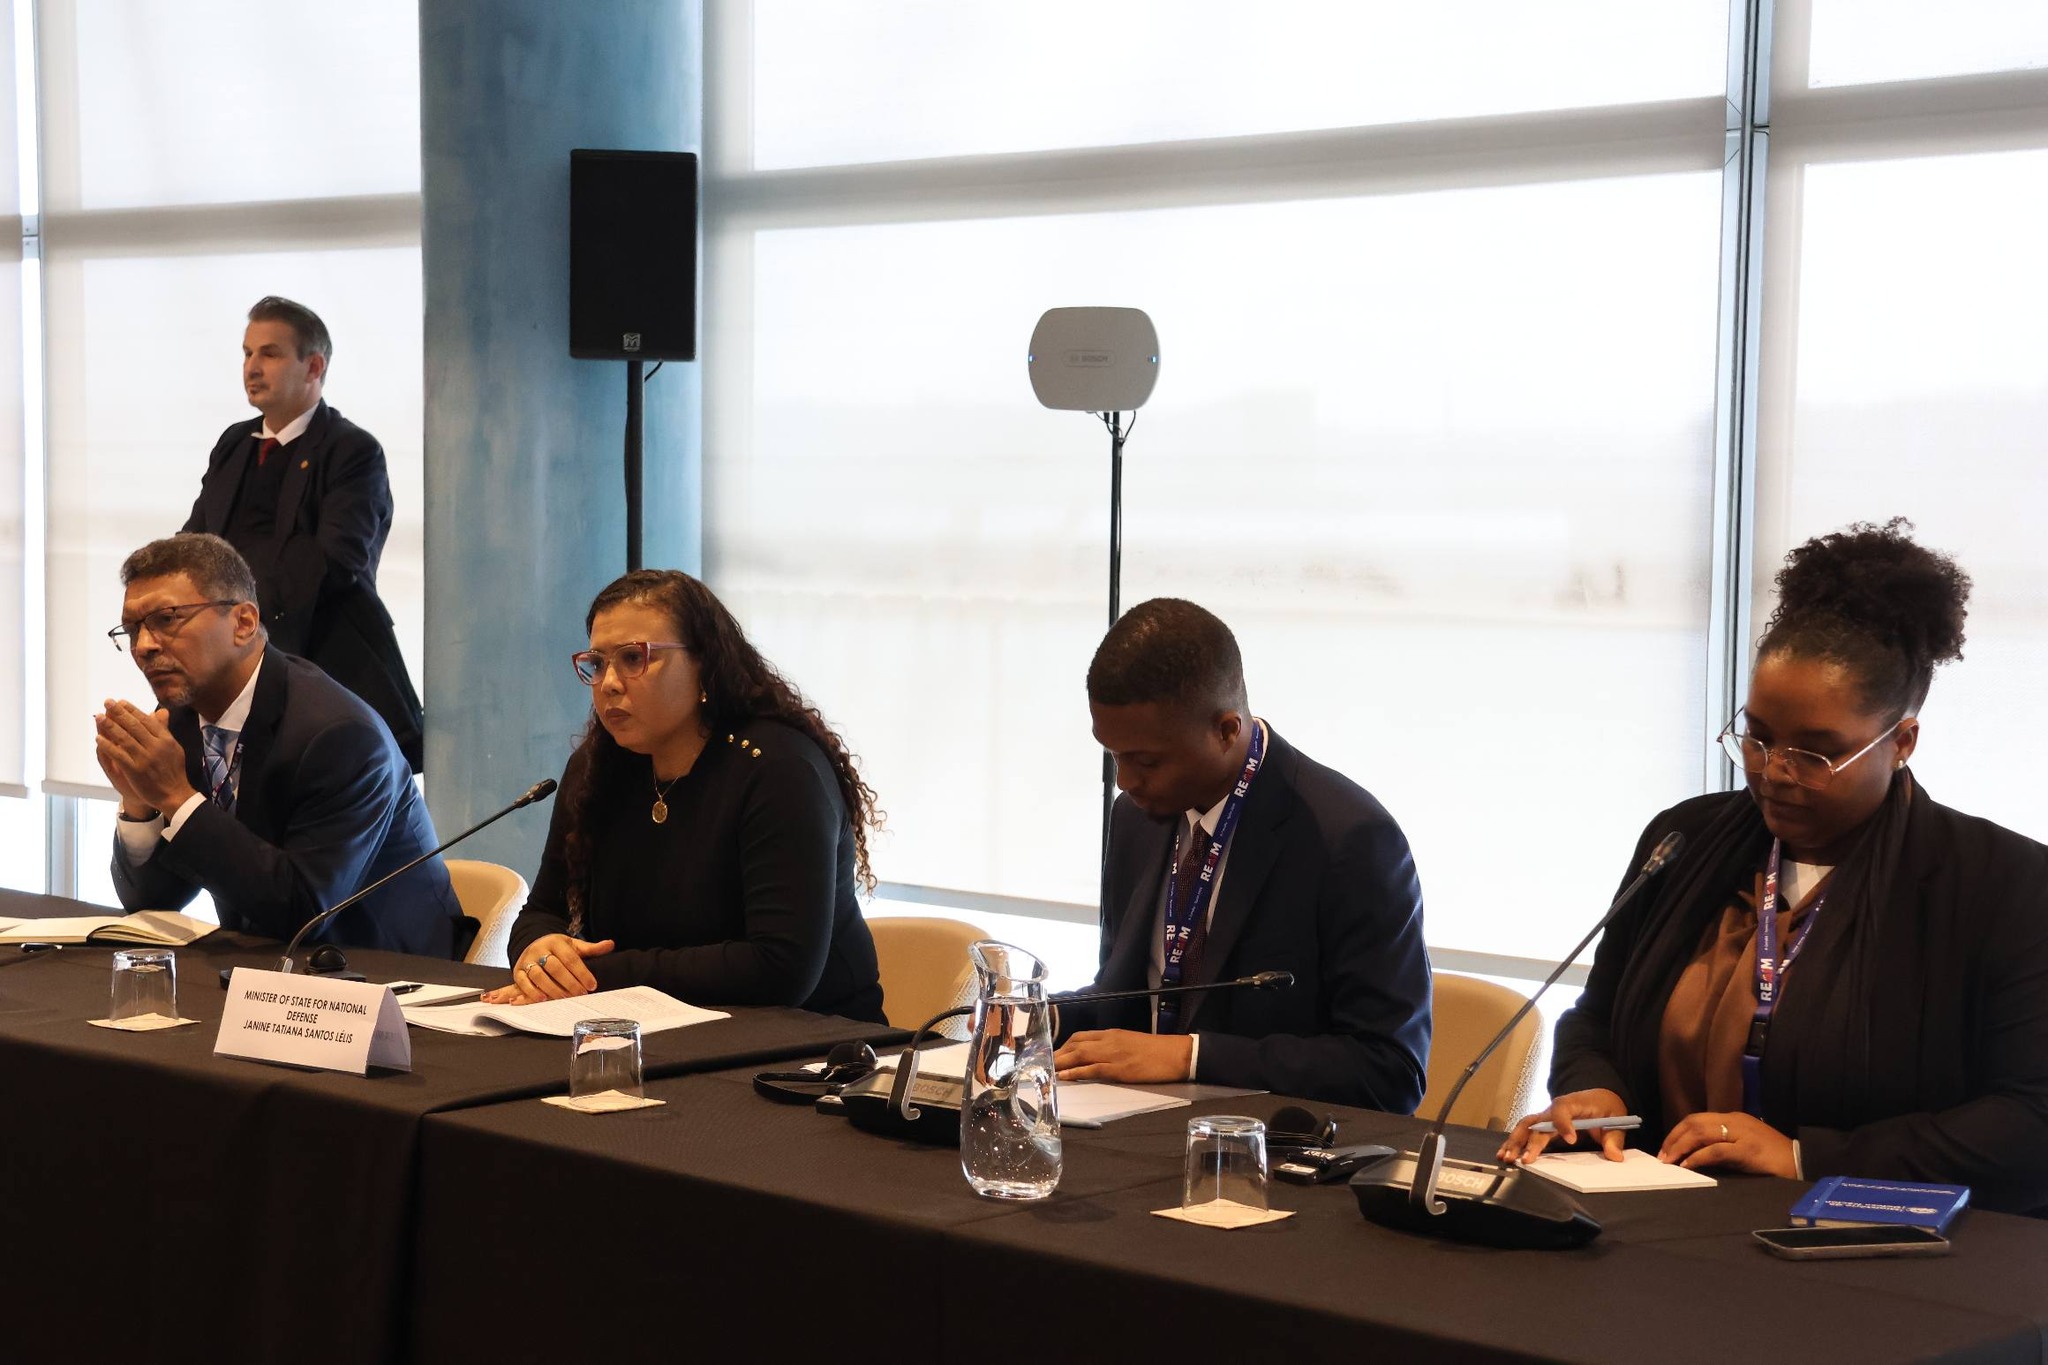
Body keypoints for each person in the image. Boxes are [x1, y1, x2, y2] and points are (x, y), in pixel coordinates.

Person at [1502, 520, 2048, 1214]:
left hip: (1880, 1246)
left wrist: (1803, 1157)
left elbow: (2031, 1118)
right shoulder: (1684, 840)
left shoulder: (2006, 886)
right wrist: (1594, 1089)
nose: (1774, 773)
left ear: (1902, 741)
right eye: (1757, 738)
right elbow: (1598, 1017)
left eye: (1816, 753)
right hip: (1657, 1220)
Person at [1051, 598, 1432, 1111]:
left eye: (1146, 761)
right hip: (1128, 1127)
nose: (1126, 781)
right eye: (1113, 754)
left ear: (1227, 730)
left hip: (1267, 1143)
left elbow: (1391, 1071)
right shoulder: (1134, 819)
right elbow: (1130, 1002)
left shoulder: (1350, 838)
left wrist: (1192, 1057)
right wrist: (1044, 1017)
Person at [490, 570, 886, 1022]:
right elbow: (543, 910)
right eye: (597, 664)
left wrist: (592, 975)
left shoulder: (779, 770)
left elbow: (780, 969)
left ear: (704, 663)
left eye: (633, 658)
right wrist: (541, 954)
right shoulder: (597, 768)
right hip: (651, 1029)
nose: (609, 683)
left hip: (814, 1043)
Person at [96, 534, 461, 956]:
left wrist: (175, 796)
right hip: (265, 969)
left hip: (391, 971)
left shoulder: (339, 734)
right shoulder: (179, 720)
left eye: (166, 619)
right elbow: (152, 902)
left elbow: (304, 912)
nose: (144, 646)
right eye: (133, 629)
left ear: (243, 623)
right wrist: (139, 803)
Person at [180, 295, 423, 771]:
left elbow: (333, 562)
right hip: (231, 661)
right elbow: (195, 545)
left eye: (269, 353)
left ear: (313, 366)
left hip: (321, 662)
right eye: (247, 353)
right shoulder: (234, 443)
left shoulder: (352, 449)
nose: (252, 367)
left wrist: (232, 615)